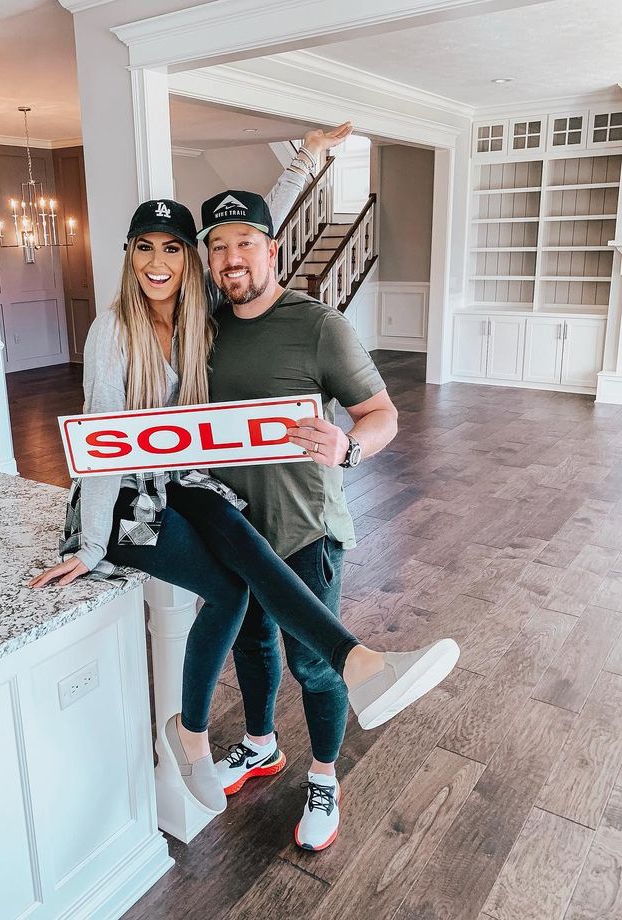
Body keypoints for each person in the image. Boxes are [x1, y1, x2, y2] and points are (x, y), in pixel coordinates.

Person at [28, 127, 459, 846]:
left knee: (258, 587)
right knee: (238, 599)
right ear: (129, 258)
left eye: (176, 249)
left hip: (216, 487)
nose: (166, 262)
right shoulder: (117, 331)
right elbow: (102, 446)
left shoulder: (206, 307)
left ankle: (330, 718)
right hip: (132, 495)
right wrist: (94, 545)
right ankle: (247, 717)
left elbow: (248, 228)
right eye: (146, 249)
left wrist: (304, 163)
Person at [191, 186, 445, 850]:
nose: (232, 257)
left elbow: (381, 413)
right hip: (233, 527)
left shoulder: (319, 326)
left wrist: (349, 445)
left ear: (272, 249)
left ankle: (326, 777)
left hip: (306, 528)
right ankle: (259, 746)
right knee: (248, 643)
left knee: (313, 661)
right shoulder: (205, 329)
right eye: (218, 246)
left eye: (245, 241)